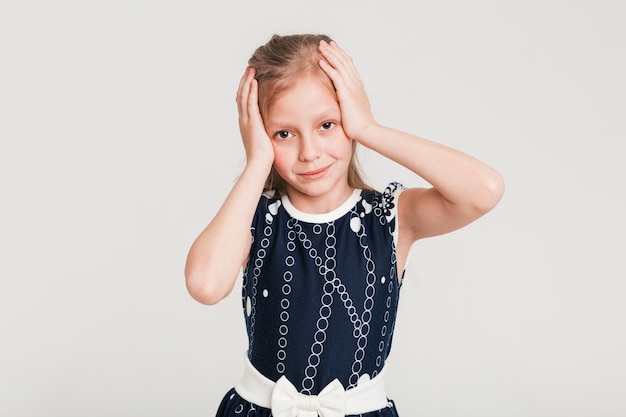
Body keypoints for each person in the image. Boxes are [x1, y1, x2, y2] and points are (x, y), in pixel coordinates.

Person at [185, 33, 504, 417]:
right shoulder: (254, 217)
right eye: (283, 134)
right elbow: (205, 285)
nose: (309, 152)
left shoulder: (389, 216)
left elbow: (484, 190)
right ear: (261, 135)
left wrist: (368, 128)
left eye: (327, 124)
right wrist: (256, 162)